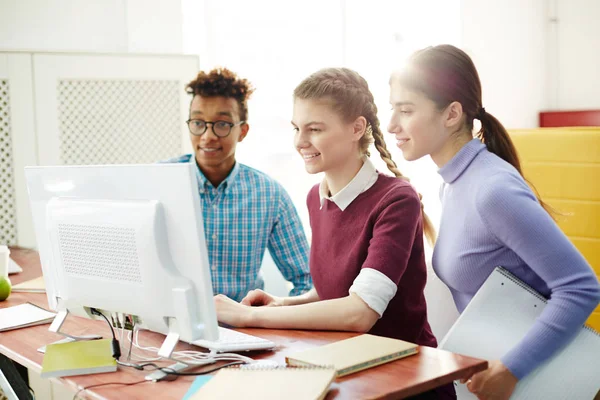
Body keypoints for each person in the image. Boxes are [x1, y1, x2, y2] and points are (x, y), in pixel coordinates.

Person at [215, 67, 455, 399]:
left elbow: (360, 312)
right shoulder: (317, 197)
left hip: (405, 381)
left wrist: (250, 317)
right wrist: (283, 304)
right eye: (297, 128)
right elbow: (335, 290)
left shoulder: (396, 200)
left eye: (314, 129)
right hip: (350, 371)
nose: (300, 142)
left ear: (357, 128)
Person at [387, 44, 600, 400]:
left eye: (405, 110)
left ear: (452, 114)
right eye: (393, 109)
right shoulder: (452, 185)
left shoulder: (492, 190)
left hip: (536, 381)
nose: (392, 124)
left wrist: (511, 369)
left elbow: (581, 288)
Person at [163, 67, 311, 302]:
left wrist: (278, 320)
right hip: (169, 326)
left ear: (242, 131)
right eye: (198, 122)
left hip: (243, 329)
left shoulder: (269, 195)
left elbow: (307, 281)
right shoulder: (160, 182)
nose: (207, 136)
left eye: (221, 124)